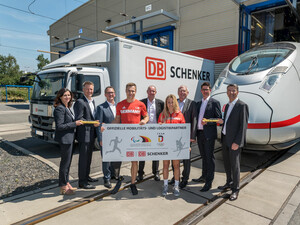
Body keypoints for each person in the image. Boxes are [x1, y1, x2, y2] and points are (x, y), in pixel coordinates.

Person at [113, 82, 149, 195]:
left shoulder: (140, 104)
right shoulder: (120, 105)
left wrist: (144, 121)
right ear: (126, 91)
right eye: (129, 90)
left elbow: (146, 116)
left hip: (135, 137)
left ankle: (133, 183)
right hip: (123, 137)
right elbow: (117, 120)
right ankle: (117, 179)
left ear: (135, 91)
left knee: (134, 161)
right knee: (118, 158)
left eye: (133, 91)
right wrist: (106, 127)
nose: (131, 93)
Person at [218, 84, 249, 201]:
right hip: (225, 138)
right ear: (226, 92)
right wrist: (222, 122)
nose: (231, 92)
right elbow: (228, 122)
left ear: (237, 92)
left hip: (234, 142)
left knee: (235, 166)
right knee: (226, 163)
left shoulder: (242, 106)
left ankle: (235, 189)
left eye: (233, 90)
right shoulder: (227, 106)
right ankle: (228, 182)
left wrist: (237, 142)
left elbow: (243, 126)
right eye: (229, 90)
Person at [192, 82, 221, 192]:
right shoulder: (198, 103)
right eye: (203, 89)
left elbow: (219, 119)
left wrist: (208, 122)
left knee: (209, 158)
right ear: (201, 91)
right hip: (200, 134)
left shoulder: (214, 103)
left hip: (209, 134)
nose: (205, 91)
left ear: (210, 90)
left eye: (207, 89)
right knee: (203, 157)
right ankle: (203, 177)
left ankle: (209, 181)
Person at [54, 88, 83, 195]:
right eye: (65, 95)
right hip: (65, 140)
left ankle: (66, 181)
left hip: (70, 139)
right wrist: (75, 124)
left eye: (69, 95)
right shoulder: (59, 109)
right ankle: (63, 185)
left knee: (68, 163)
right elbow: (60, 126)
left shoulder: (67, 107)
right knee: (64, 164)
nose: (67, 97)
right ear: (60, 97)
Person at [158, 94, 186, 197]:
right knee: (165, 165)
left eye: (172, 102)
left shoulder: (179, 115)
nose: (170, 104)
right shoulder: (162, 115)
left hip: (176, 146)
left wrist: (186, 145)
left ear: (175, 103)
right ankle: (165, 185)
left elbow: (184, 131)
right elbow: (158, 131)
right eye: (168, 102)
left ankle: (176, 186)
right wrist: (160, 126)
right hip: (165, 145)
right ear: (166, 103)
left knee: (176, 166)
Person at [74, 81, 100, 189]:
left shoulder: (92, 101)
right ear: (83, 89)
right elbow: (80, 118)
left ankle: (87, 176)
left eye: (91, 89)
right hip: (84, 135)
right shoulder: (80, 102)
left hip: (91, 134)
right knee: (84, 159)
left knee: (89, 158)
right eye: (87, 89)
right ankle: (82, 182)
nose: (90, 91)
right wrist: (92, 123)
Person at [95, 86, 121, 189]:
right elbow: (99, 124)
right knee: (106, 159)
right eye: (108, 93)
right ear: (105, 95)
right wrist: (100, 139)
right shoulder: (101, 108)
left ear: (115, 94)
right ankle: (106, 178)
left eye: (112, 93)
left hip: (117, 137)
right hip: (106, 137)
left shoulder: (119, 106)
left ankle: (114, 175)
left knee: (116, 156)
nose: (111, 95)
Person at [138, 85, 164, 182]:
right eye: (150, 91)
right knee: (142, 153)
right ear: (147, 92)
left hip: (156, 131)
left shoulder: (160, 103)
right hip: (144, 131)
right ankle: (140, 173)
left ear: (155, 92)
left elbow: (163, 115)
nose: (152, 93)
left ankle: (156, 172)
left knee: (155, 153)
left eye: (153, 91)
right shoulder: (141, 103)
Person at [172, 85, 197, 189]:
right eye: (180, 91)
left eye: (184, 91)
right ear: (178, 92)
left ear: (187, 92)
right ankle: (175, 177)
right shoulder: (174, 102)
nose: (182, 93)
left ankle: (185, 179)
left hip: (186, 136)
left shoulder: (192, 104)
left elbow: (194, 120)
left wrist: (192, 136)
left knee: (186, 158)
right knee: (174, 157)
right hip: (174, 135)